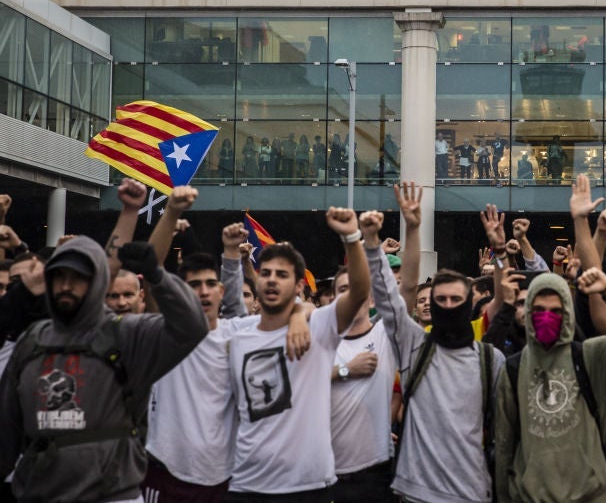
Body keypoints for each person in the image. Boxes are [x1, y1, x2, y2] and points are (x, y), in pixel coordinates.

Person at [0, 230, 207, 502]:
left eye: (77, 278)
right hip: (39, 493)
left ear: (97, 283)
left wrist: (157, 276)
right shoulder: (33, 340)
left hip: (111, 494)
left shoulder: (125, 334)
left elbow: (191, 327)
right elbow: (6, 429)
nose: (66, 286)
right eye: (59, 276)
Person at [223, 206, 370, 502]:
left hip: (308, 485)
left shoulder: (319, 326)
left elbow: (358, 292)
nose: (272, 280)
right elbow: (227, 301)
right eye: (265, 274)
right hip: (246, 484)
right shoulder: (237, 332)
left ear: (300, 285)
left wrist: (353, 237)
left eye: (282, 274)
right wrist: (229, 254)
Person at [363, 208, 505, 502]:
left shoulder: (490, 359)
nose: (448, 305)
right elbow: (396, 295)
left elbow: (502, 303)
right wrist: (403, 233)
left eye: (456, 299)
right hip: (416, 490)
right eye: (441, 299)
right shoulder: (416, 347)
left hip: (472, 490)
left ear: (471, 304)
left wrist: (501, 253)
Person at [495, 265, 606, 503]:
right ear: (527, 313)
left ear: (568, 313)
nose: (547, 317)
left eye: (556, 311)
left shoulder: (591, 356)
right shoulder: (514, 368)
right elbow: (504, 443)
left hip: (589, 495)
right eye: (538, 310)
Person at [143, 218, 255, 502]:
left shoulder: (238, 332)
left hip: (225, 476)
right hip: (164, 471)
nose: (203, 291)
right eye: (194, 285)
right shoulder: (164, 333)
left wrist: (230, 254)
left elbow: (293, 310)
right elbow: (151, 269)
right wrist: (169, 219)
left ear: (221, 291)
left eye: (209, 284)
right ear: (180, 290)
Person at [330, 267, 397, 502]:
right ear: (333, 299)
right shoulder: (320, 339)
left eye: (358, 289)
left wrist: (410, 229)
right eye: (343, 289)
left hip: (375, 472)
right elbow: (298, 380)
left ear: (370, 299)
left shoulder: (385, 335)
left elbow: (407, 287)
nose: (351, 295)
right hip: (327, 471)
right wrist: (346, 370)